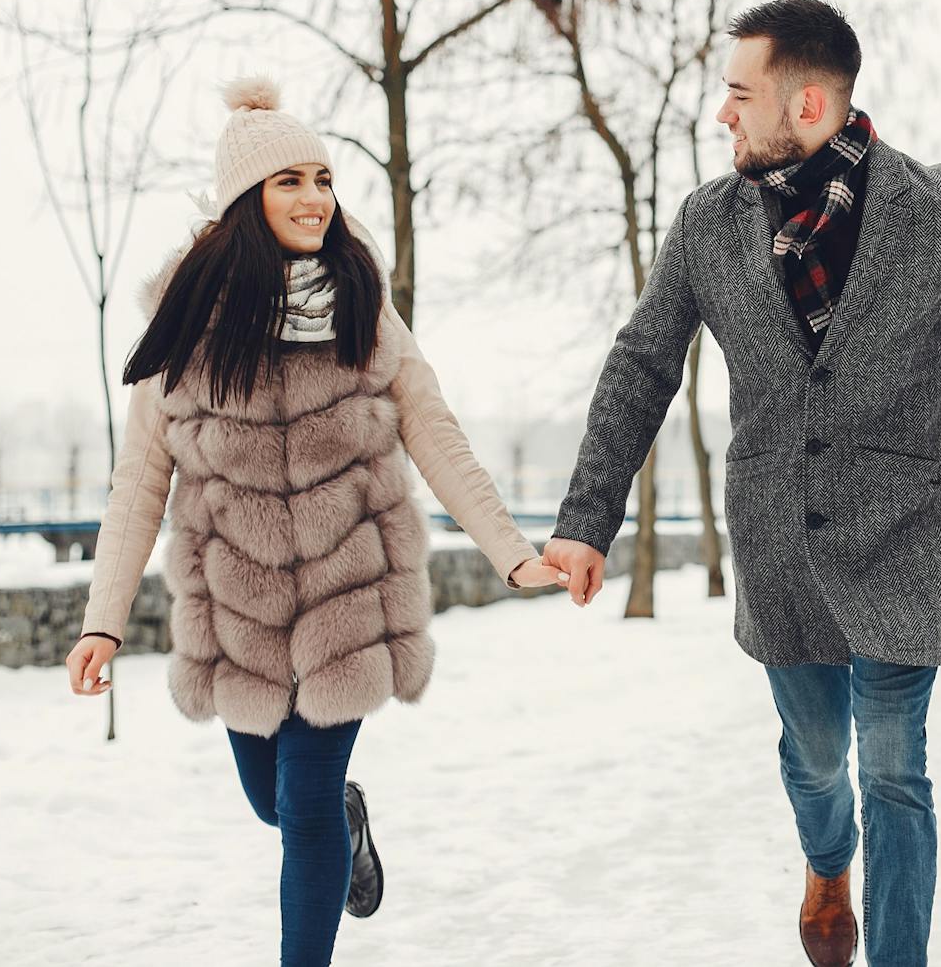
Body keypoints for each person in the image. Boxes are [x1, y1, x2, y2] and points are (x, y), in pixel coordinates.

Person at [538, 0, 941, 967]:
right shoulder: (707, 224)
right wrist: (586, 519)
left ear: (810, 103)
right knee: (819, 760)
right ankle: (825, 861)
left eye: (738, 95)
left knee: (894, 767)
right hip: (778, 535)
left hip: (903, 530)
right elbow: (640, 363)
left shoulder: (939, 203)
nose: (722, 115)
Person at [63, 77, 565, 967]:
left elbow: (434, 434)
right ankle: (349, 820)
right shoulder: (186, 333)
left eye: (324, 178)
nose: (315, 199)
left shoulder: (365, 307)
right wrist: (102, 619)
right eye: (290, 181)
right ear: (244, 203)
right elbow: (138, 485)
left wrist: (513, 552)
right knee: (273, 800)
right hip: (240, 618)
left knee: (301, 807)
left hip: (347, 604)